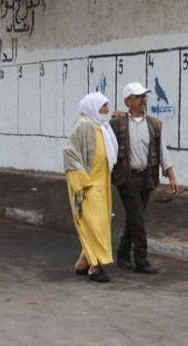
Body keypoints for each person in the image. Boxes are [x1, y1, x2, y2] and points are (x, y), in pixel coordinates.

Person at [110, 82, 180, 275]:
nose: (143, 100)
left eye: (144, 96)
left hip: (147, 178)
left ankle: (123, 254)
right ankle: (141, 259)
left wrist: (171, 176)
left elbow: (162, 150)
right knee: (138, 219)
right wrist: (109, 117)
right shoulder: (117, 123)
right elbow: (103, 139)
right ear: (128, 101)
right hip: (127, 178)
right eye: (138, 96)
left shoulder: (153, 124)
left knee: (134, 218)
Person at [63, 92, 119, 283]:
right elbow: (69, 153)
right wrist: (81, 181)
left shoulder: (102, 127)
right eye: (103, 106)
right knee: (96, 224)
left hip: (102, 183)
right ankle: (95, 267)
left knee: (100, 223)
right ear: (93, 107)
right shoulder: (84, 125)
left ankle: (82, 263)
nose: (107, 109)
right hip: (88, 185)